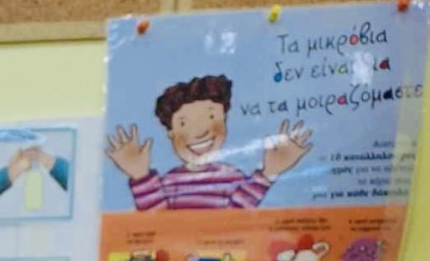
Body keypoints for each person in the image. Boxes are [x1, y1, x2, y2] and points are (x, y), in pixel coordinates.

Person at [106, 75, 312, 212]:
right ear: (170, 132)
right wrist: (141, 177)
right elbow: (158, 224)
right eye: (184, 123)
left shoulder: (232, 178)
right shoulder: (169, 182)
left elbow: (236, 219)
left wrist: (269, 173)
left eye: (211, 117)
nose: (200, 132)